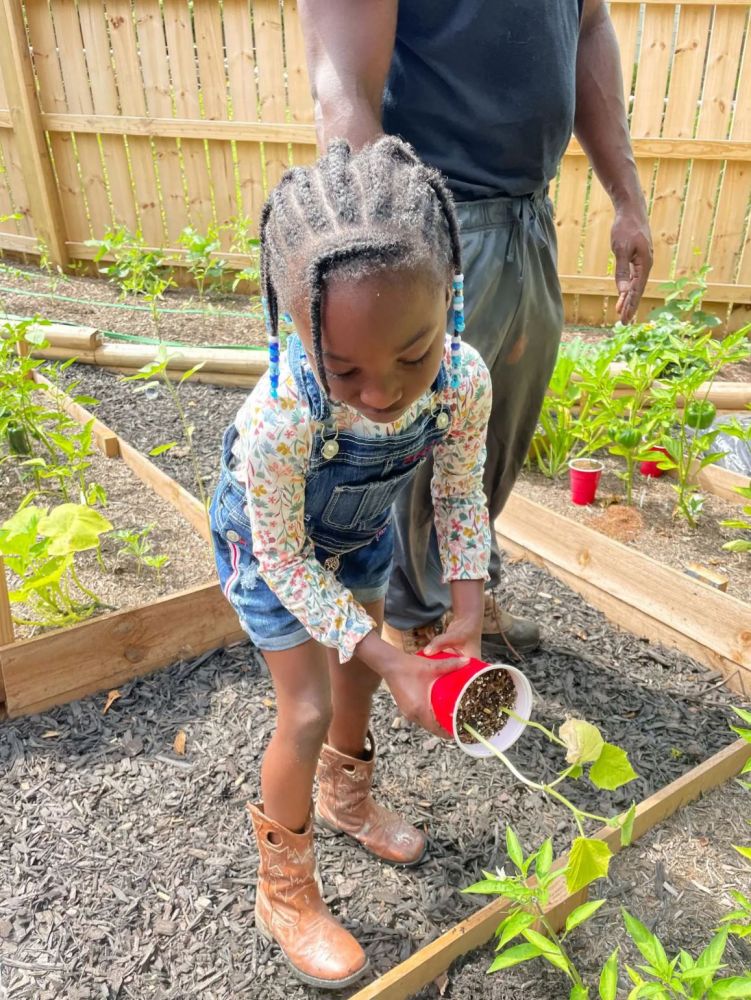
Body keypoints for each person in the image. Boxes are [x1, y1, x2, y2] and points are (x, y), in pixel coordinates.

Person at [210, 136, 493, 989]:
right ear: (290, 327)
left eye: (413, 354)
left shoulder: (462, 382)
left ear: (451, 298)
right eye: (345, 370)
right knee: (301, 707)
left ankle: (345, 800)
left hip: (357, 533)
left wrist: (468, 611)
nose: (382, 393)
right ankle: (284, 890)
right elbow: (287, 561)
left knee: (359, 679)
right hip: (269, 549)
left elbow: (457, 495)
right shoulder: (281, 419)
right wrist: (384, 648)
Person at [298, 0, 654, 655]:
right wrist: (386, 247)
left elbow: (588, 24)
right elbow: (339, 83)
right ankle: (413, 626)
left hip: (528, 212)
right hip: (433, 221)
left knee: (487, 441)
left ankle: (456, 596)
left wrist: (626, 196)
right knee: (409, 437)